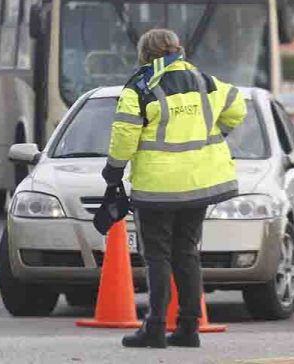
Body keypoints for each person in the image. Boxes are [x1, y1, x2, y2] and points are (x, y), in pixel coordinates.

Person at [101, 28, 246, 349]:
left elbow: (125, 134)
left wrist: (113, 169)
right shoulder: (204, 81)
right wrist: (215, 133)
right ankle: (189, 328)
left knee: (157, 257)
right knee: (187, 254)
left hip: (158, 187)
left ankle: (154, 328)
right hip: (199, 182)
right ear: (177, 49)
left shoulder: (139, 87)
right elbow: (238, 107)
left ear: (145, 55)